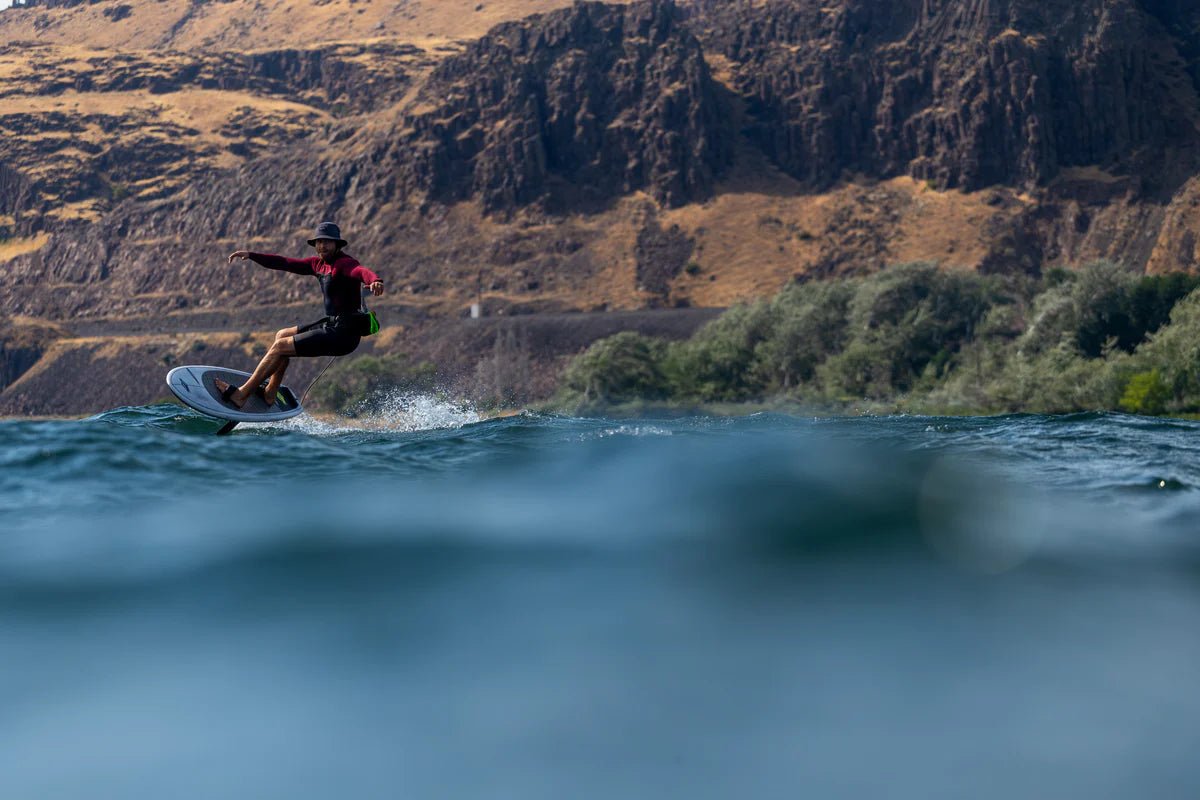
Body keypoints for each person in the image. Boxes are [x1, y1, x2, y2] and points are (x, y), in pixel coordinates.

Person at [215, 221, 384, 408]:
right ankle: (270, 393)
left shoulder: (345, 263)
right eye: (319, 242)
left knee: (280, 346)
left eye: (328, 242)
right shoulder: (317, 265)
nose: (322, 246)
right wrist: (251, 255)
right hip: (332, 324)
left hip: (345, 334)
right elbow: (285, 263)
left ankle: (241, 394)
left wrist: (375, 280)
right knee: (282, 335)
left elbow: (361, 272)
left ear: (337, 244)